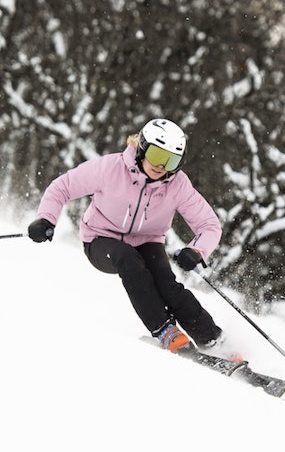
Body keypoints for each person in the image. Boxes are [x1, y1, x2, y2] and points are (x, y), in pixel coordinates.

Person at [27, 118, 223, 353]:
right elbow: (63, 187)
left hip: (147, 241)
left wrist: (197, 250)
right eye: (157, 155)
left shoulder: (177, 185)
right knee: (129, 261)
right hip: (100, 239)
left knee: (166, 283)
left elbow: (209, 225)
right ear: (141, 149)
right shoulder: (110, 168)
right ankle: (165, 331)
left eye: (171, 160)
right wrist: (45, 218)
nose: (161, 166)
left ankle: (212, 340)